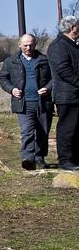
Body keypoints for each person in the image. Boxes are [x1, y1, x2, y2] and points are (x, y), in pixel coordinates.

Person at [0, 34, 52, 170]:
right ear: (19, 45)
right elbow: (3, 78)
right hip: (23, 103)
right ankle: (28, 159)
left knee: (43, 131)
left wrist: (48, 88)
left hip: (43, 102)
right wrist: (12, 89)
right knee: (27, 131)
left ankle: (39, 158)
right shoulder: (11, 61)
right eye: (25, 45)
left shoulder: (44, 60)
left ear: (35, 44)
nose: (28, 47)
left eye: (31, 45)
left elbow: (54, 78)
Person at [46, 16, 79, 170]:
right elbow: (64, 70)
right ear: (73, 28)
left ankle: (75, 158)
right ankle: (65, 160)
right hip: (67, 95)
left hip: (75, 94)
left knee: (76, 129)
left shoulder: (72, 45)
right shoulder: (58, 46)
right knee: (67, 128)